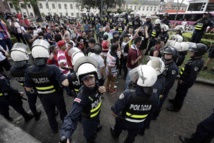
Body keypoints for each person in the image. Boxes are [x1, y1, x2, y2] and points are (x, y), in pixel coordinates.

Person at [24, 39, 69, 133]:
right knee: (62, 111)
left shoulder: (29, 70)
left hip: (43, 97)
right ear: (46, 56)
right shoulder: (53, 68)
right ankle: (66, 127)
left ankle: (54, 128)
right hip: (56, 95)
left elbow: (28, 88)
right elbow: (66, 83)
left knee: (50, 113)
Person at [60, 56, 106, 143]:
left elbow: (97, 89)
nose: (90, 82)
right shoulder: (81, 97)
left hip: (97, 115)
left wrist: (101, 89)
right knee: (90, 136)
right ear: (81, 81)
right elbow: (71, 117)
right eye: (86, 79)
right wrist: (66, 134)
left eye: (91, 77)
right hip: (88, 120)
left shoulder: (96, 84)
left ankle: (96, 128)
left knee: (95, 127)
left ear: (95, 77)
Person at [110, 65, 157, 143]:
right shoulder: (155, 96)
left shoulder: (128, 94)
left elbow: (116, 109)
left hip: (124, 121)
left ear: (141, 81)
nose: (135, 76)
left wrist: (114, 112)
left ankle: (115, 135)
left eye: (138, 76)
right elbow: (152, 111)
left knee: (118, 127)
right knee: (132, 136)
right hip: (139, 123)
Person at [167, 43, 207, 112]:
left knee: (181, 94)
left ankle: (176, 107)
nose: (190, 52)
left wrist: (184, 83)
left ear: (197, 53)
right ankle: (175, 100)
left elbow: (192, 77)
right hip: (183, 79)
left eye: (192, 51)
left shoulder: (195, 64)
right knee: (178, 92)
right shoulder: (194, 59)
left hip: (185, 82)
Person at [10, 43, 41, 121]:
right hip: (37, 87)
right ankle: (52, 112)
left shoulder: (12, 70)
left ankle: (35, 114)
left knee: (31, 102)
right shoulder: (30, 68)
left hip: (26, 88)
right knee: (44, 101)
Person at [158, 46, 179, 114]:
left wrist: (162, 90)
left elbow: (169, 83)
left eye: (168, 54)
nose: (165, 55)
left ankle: (155, 114)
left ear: (173, 56)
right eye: (165, 54)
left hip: (163, 89)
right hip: (159, 84)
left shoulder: (173, 68)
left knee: (159, 102)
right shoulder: (163, 60)